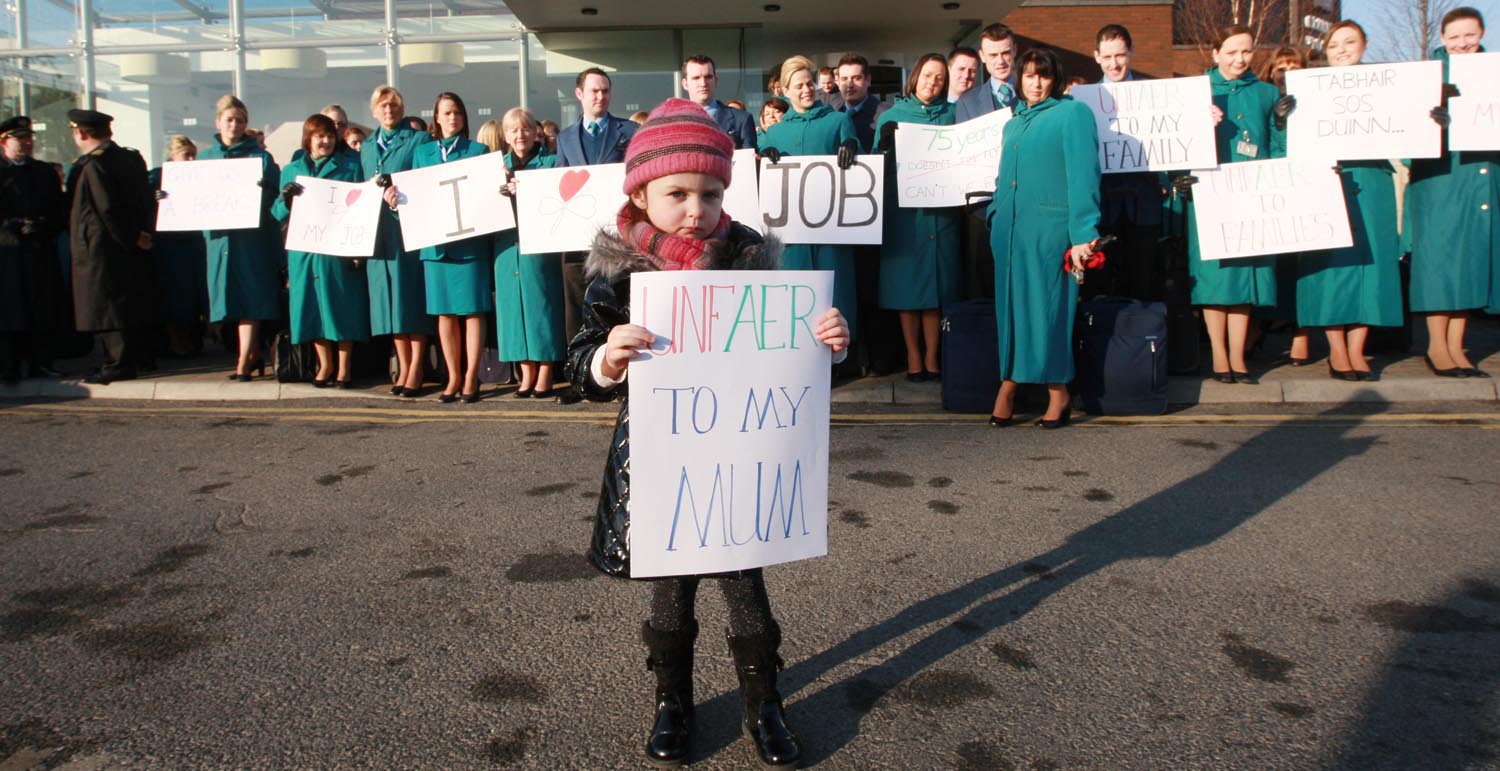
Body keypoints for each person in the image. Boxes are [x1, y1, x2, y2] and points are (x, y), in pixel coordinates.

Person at [564, 97, 849, 769]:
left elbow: (791, 362)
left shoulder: (749, 260)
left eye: (711, 192)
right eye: (678, 192)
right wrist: (606, 357)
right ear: (640, 192)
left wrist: (827, 345)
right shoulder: (614, 272)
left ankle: (764, 700)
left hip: (738, 462)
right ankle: (672, 698)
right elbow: (577, 363)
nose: (697, 208)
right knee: (670, 596)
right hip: (658, 464)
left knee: (746, 591)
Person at [1274, 20, 1403, 381]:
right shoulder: (1310, 91)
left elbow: (1407, 139)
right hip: (1327, 181)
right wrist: (1284, 122)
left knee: (1372, 267)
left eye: (1350, 42)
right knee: (1331, 266)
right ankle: (1336, 350)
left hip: (1373, 180)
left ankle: (1359, 349)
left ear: (1364, 44)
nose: (1343, 49)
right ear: (1325, 52)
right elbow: (1290, 149)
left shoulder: (1386, 87)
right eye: (1335, 45)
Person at [987, 48, 1101, 429]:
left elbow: (1084, 176)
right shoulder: (1012, 122)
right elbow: (1004, 176)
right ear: (1019, 78)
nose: (1036, 82)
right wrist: (995, 214)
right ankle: (1009, 382)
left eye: (1044, 75)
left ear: (1055, 79)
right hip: (1010, 233)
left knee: (1050, 311)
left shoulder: (1072, 114)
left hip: (1051, 232)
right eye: (1030, 75)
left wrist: (1085, 234)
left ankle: (1058, 391)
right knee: (1011, 310)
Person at [1179, 24, 1280, 385]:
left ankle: (1239, 356)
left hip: (1251, 196)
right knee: (1214, 278)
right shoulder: (1195, 92)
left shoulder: (1267, 93)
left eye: (1247, 51)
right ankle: (1219, 356)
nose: (1240, 58)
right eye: (1232, 51)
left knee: (1242, 280)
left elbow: (1278, 147)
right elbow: (1176, 143)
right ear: (1216, 53)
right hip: (1209, 195)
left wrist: (1282, 123)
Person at [1405, 6, 1495, 378]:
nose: (1462, 43)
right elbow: (1404, 140)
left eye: (1469, 35)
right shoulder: (1425, 76)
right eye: (1454, 36)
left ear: (1482, 33)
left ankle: (1458, 345)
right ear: (1442, 39)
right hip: (1441, 178)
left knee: (1471, 262)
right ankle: (1436, 346)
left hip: (1481, 178)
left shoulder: (1495, 73)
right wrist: (1434, 125)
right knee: (1440, 262)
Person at [759, 54, 863, 343]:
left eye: (810, 83)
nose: (806, 90)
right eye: (799, 86)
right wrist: (763, 161)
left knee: (835, 291)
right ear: (784, 90)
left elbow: (862, 172)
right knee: (794, 293)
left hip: (832, 231)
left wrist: (854, 147)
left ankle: (839, 358)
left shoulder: (839, 120)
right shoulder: (775, 132)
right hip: (792, 237)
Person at [874, 53, 960, 382]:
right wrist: (884, 145)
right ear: (915, 77)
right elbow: (875, 170)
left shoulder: (952, 116)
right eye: (927, 76)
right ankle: (912, 355)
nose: (932, 83)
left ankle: (932, 357)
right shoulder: (892, 116)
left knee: (936, 290)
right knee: (906, 291)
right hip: (904, 215)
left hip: (940, 214)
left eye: (939, 78)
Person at [555, 67, 639, 403]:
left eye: (605, 91)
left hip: (615, 238)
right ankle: (579, 378)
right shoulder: (564, 138)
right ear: (580, 94)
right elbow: (555, 181)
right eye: (594, 91)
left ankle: (617, 377)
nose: (600, 96)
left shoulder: (629, 131)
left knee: (615, 305)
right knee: (575, 306)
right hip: (574, 238)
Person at [272, 114, 371, 388]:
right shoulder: (292, 170)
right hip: (305, 251)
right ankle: (325, 364)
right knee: (314, 308)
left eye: (329, 135)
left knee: (341, 307)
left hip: (336, 251)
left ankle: (344, 367)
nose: (325, 141)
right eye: (319, 136)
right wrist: (286, 199)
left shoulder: (350, 166)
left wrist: (358, 248)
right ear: (309, 139)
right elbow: (276, 211)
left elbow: (361, 208)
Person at [406, 92, 491, 402]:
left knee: (471, 312)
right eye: (446, 113)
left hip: (469, 244)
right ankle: (453, 375)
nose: (452, 117)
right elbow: (413, 196)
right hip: (435, 246)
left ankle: (471, 375)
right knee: (444, 314)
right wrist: (394, 203)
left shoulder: (478, 151)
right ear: (436, 119)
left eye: (457, 112)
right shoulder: (423, 153)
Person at [63, 109, 156, 384]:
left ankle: (117, 363)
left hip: (103, 247)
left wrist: (129, 237)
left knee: (107, 308)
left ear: (81, 133)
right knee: (126, 303)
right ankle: (132, 358)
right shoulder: (128, 158)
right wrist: (142, 234)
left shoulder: (94, 165)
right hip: (129, 243)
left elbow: (107, 209)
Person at [197, 95, 282, 381]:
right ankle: (250, 352)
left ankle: (244, 360)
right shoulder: (205, 158)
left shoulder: (260, 157)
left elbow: (275, 200)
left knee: (250, 297)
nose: (235, 125)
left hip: (250, 239)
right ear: (218, 122)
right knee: (225, 299)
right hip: (219, 239)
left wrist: (266, 188)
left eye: (241, 120)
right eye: (230, 119)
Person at [362, 84, 435, 397]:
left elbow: (427, 180)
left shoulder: (418, 140)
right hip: (379, 234)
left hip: (406, 230)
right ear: (374, 111)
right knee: (389, 305)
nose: (388, 110)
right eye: (383, 106)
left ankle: (416, 368)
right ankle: (403, 366)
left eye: (394, 105)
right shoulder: (366, 147)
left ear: (402, 109)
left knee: (409, 301)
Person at [495, 107, 567, 398]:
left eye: (524, 128)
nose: (519, 135)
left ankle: (546, 370)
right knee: (513, 310)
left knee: (541, 306)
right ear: (505, 135)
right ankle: (526, 372)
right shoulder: (496, 166)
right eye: (513, 130)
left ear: (535, 132)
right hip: (505, 245)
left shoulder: (548, 163)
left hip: (539, 246)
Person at [1089, 24, 1164, 302]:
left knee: (1142, 281)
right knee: (1102, 284)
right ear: (1096, 56)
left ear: (1130, 53)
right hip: (1104, 205)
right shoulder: (1084, 100)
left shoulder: (1153, 94)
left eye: (1119, 55)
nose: (1114, 63)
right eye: (1107, 57)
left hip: (1143, 204)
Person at [0, 115, 68, 383]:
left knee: (41, 309)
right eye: (21, 139)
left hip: (39, 250)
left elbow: (60, 209)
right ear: (4, 141)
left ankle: (41, 362)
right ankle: (10, 366)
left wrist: (45, 225)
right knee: (10, 311)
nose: (27, 143)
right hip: (8, 252)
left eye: (29, 138)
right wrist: (13, 225)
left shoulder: (42, 172)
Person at [1258, 45, 1312, 366]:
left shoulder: (1317, 100)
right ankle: (1262, 325)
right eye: (1281, 67)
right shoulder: (1268, 101)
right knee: (1273, 265)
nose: (1286, 72)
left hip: (1309, 187)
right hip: (1274, 189)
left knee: (1305, 265)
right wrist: (1279, 123)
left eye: (1294, 65)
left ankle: (1301, 334)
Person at [148, 135, 208, 358]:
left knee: (193, 295)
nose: (191, 159)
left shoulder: (199, 176)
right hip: (170, 244)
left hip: (193, 241)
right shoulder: (158, 177)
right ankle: (175, 341)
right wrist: (157, 199)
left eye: (194, 155)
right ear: (173, 156)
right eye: (186, 155)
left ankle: (192, 339)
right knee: (175, 295)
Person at [682, 54, 758, 150]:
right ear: (685, 84)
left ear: (716, 81)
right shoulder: (672, 122)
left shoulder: (742, 120)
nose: (703, 83)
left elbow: (749, 161)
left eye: (708, 77)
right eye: (696, 78)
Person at [955, 23, 1019, 122]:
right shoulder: (967, 103)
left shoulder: (1035, 95)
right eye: (993, 55)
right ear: (982, 56)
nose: (1000, 61)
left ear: (1014, 50)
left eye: (1005, 53)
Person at [834, 53, 881, 151]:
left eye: (856, 78)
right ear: (837, 82)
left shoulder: (884, 115)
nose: (850, 84)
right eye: (844, 79)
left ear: (868, 80)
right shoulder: (831, 114)